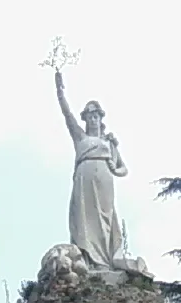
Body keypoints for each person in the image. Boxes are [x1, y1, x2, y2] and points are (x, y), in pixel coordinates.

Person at [55, 70, 128, 270]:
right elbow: (67, 115)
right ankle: (88, 259)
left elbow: (124, 169)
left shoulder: (108, 142)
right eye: (89, 116)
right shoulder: (80, 137)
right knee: (84, 218)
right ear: (85, 119)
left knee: (104, 219)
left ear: (100, 118)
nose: (93, 119)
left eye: (96, 115)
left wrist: (114, 167)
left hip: (104, 179)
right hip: (84, 178)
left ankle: (105, 260)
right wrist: (60, 93)